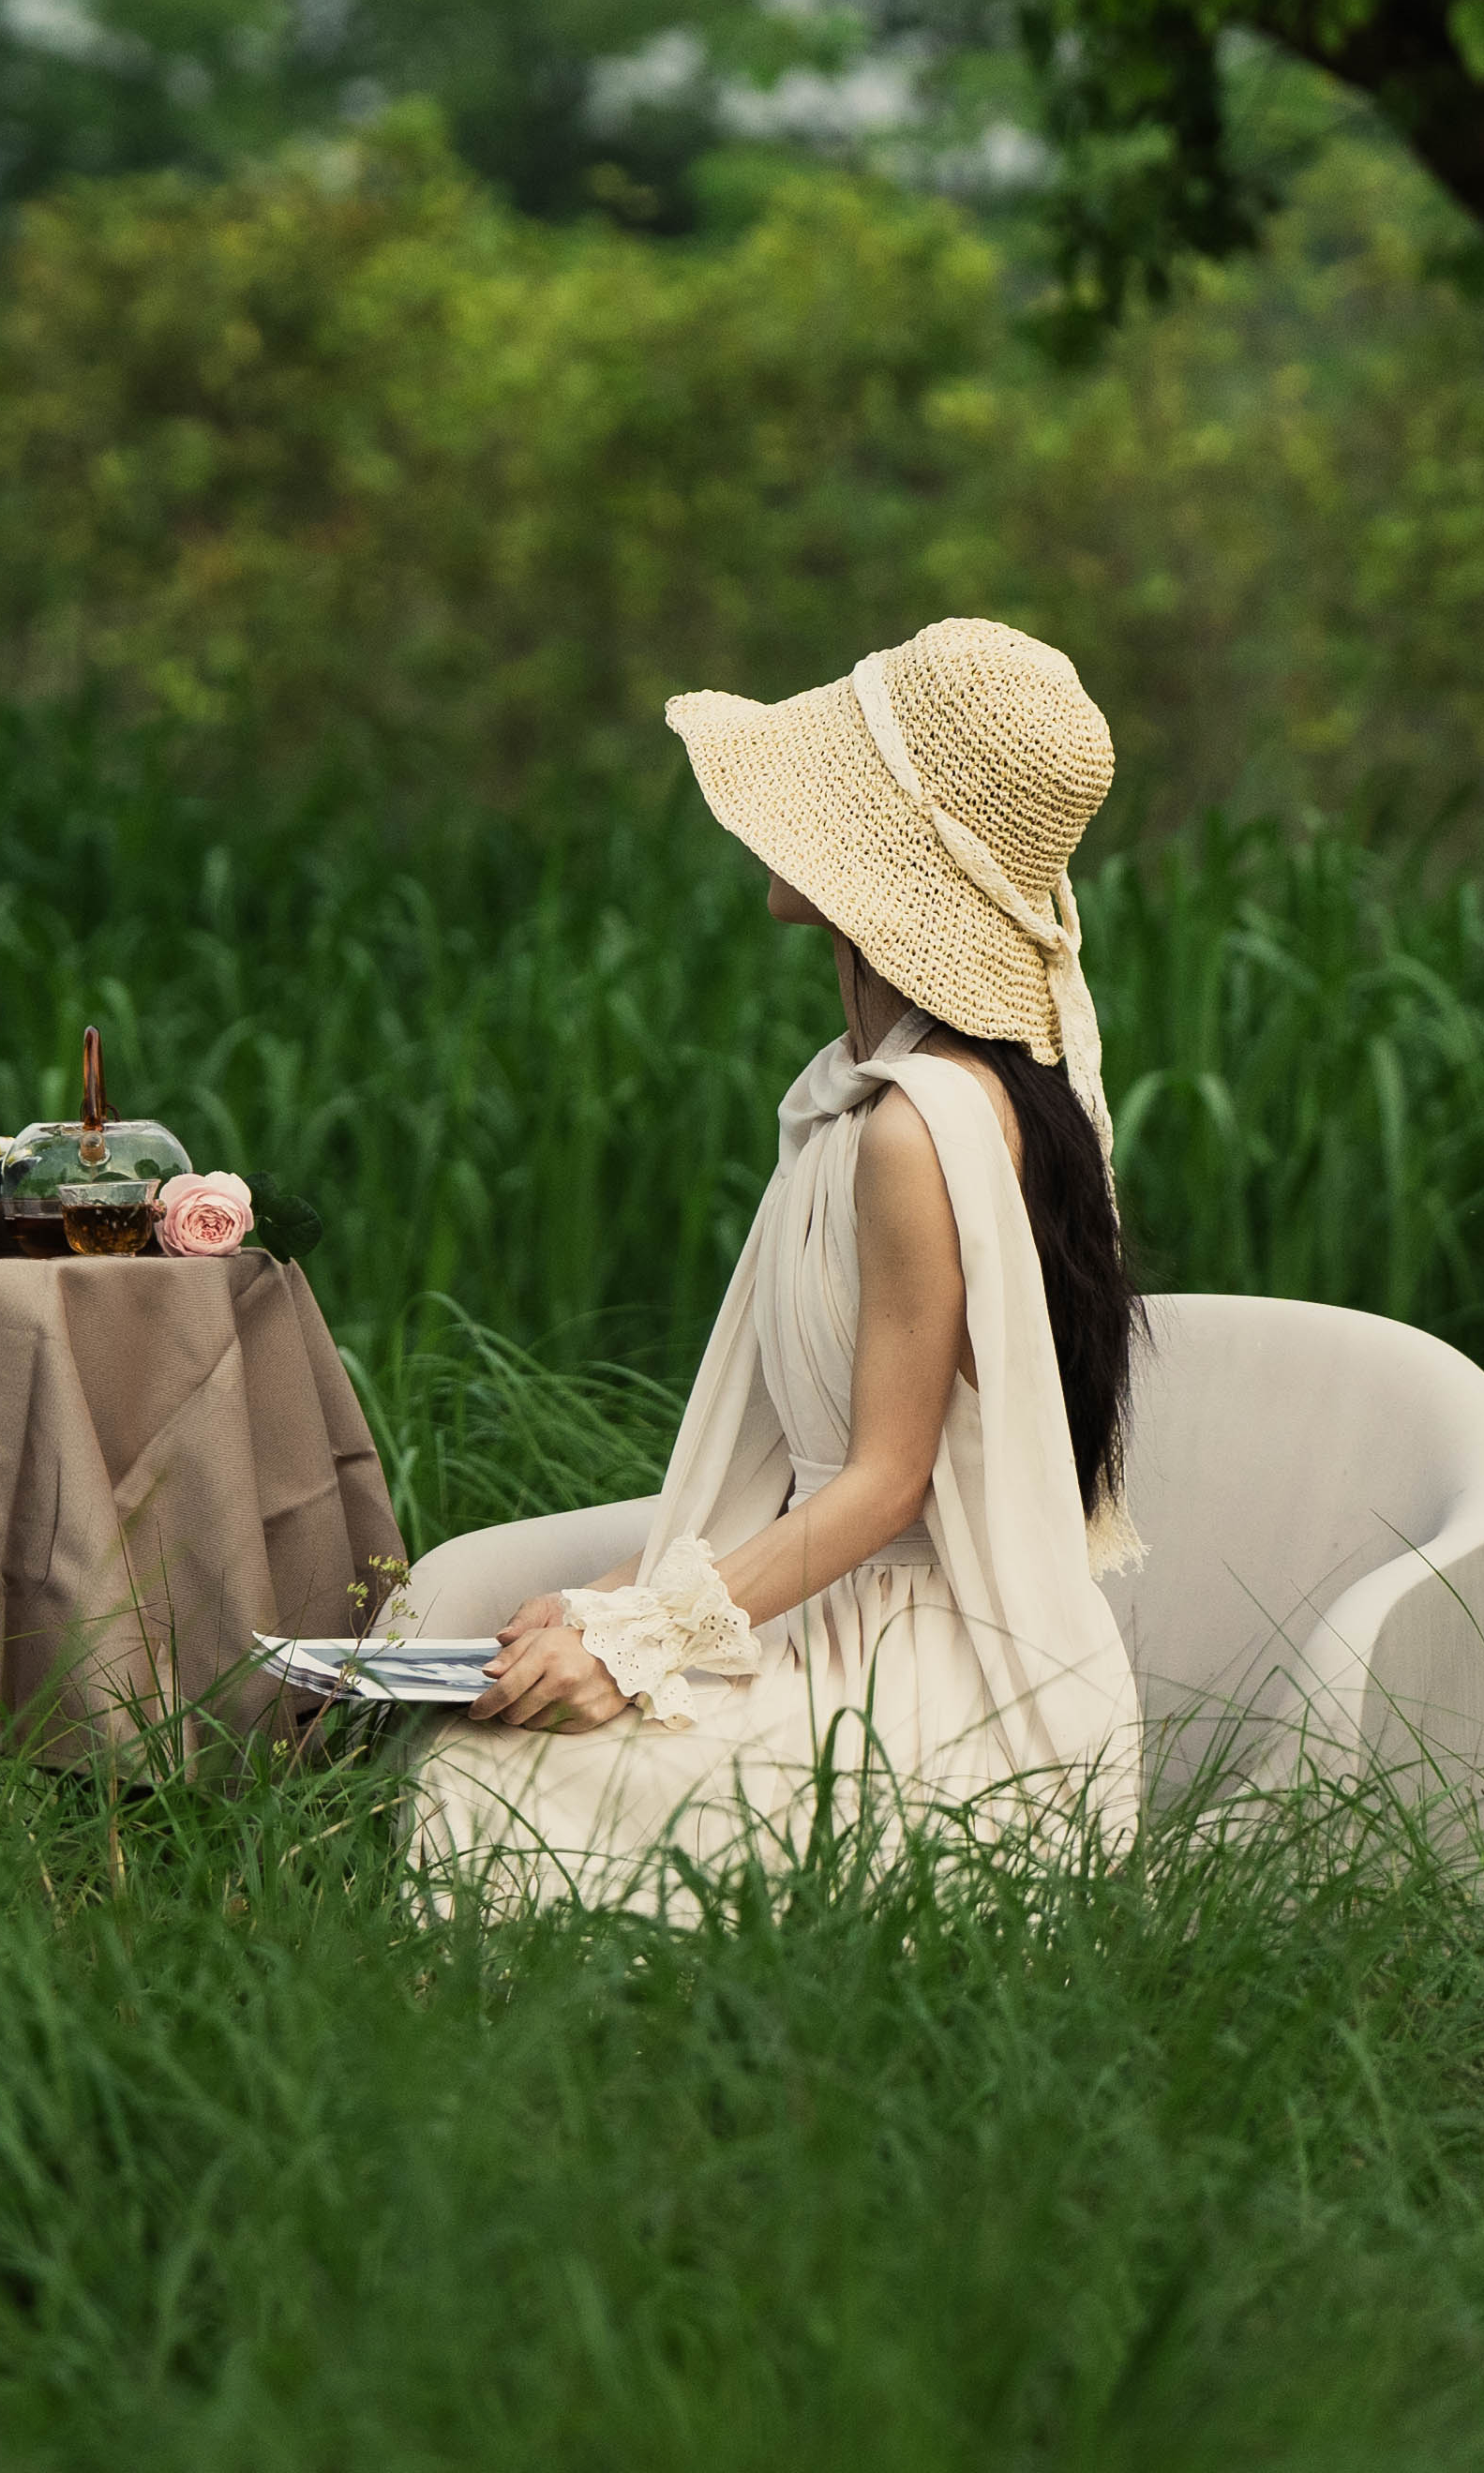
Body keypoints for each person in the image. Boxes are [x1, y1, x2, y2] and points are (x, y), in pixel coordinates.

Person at [401, 616, 1148, 1910]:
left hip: (942, 1688)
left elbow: (885, 1489)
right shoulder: (874, 1101)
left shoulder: (919, 1129)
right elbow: (817, 1485)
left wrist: (640, 1635)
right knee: (480, 1742)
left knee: (494, 1786)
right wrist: (596, 1601)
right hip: (841, 1616)